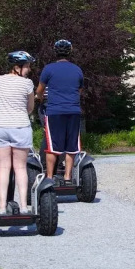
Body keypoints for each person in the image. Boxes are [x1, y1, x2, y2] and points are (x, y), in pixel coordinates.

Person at [0, 51, 35, 215]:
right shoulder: (27, 84)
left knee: (3, 167)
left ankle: (2, 207)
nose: (28, 70)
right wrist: (21, 113)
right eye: (26, 66)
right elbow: (31, 107)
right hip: (20, 126)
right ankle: (24, 207)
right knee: (20, 167)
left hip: (0, 127)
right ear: (16, 67)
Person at [35, 39, 84, 183]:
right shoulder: (77, 69)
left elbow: (39, 91)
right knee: (71, 146)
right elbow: (79, 91)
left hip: (55, 111)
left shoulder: (48, 69)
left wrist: (39, 98)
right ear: (70, 52)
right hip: (73, 110)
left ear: (55, 52)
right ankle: (68, 177)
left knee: (52, 146)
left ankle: (50, 177)